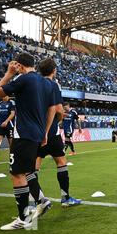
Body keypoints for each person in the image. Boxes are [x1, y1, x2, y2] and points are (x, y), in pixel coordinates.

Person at [0, 53, 56, 231]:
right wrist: (45, 132)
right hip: (37, 132)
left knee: (17, 174)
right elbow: (51, 109)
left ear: (19, 66)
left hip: (24, 133)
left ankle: (24, 218)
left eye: (16, 66)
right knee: (28, 169)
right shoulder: (47, 83)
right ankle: (42, 201)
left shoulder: (23, 78)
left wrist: (8, 73)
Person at [36, 58, 81, 208]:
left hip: (35, 131)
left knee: (34, 167)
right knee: (61, 162)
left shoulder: (33, 83)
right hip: (52, 132)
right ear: (54, 70)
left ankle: (39, 200)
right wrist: (59, 119)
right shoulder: (54, 85)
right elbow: (58, 109)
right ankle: (65, 198)